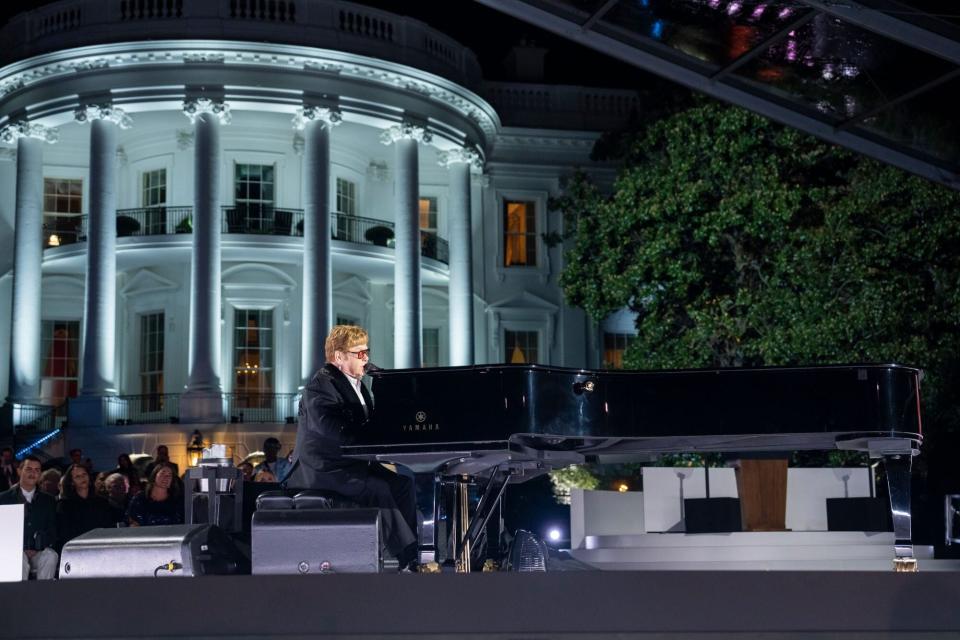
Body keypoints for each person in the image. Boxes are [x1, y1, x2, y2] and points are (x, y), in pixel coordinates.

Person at [285, 324, 419, 571]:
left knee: (403, 484)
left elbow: (370, 423)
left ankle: (410, 555)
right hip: (325, 469)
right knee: (378, 489)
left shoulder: (358, 385)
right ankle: (408, 557)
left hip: (350, 463)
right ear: (339, 357)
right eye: (359, 353)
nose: (366, 358)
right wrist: (370, 443)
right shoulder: (320, 386)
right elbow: (331, 429)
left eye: (366, 351)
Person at [0, 455, 58, 580]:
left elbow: (52, 530)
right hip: (14, 550)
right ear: (19, 471)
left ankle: (43, 597)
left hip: (39, 551)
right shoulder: (3, 499)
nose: (33, 473)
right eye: (29, 469)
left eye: (37, 470)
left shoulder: (48, 500)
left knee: (51, 556)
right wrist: (21, 548)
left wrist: (38, 547)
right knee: (18, 559)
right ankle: (19, 597)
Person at [56, 464, 114, 551]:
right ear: (72, 481)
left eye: (84, 474)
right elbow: (64, 533)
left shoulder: (102, 502)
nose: (82, 478)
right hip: (76, 548)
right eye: (77, 476)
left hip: (101, 546)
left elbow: (108, 528)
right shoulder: (65, 505)